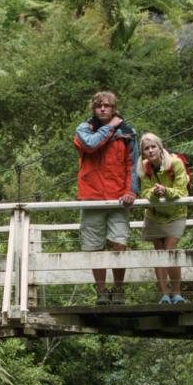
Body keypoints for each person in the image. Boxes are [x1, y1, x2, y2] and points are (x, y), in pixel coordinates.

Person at [73, 91, 138, 303]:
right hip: (91, 197)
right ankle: (101, 292)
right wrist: (111, 128)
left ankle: (118, 290)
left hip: (118, 198)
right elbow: (91, 145)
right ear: (93, 109)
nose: (103, 109)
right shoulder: (83, 129)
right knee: (94, 247)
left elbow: (133, 165)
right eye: (99, 105)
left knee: (119, 243)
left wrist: (131, 191)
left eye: (107, 106)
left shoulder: (128, 133)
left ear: (114, 109)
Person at [136, 132, 190, 303]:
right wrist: (154, 192)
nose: (150, 151)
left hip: (175, 213)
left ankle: (177, 293)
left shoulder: (175, 163)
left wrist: (165, 191)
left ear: (160, 147)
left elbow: (182, 191)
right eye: (146, 148)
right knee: (159, 253)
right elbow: (144, 192)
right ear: (142, 152)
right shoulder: (144, 167)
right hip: (154, 214)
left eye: (153, 147)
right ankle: (164, 295)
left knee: (170, 250)